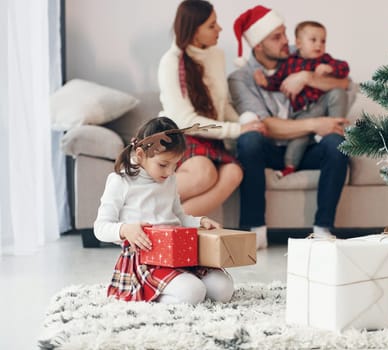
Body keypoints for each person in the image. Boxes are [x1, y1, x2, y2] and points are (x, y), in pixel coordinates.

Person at [228, 5, 352, 249]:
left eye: (285, 33)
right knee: (249, 139)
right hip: (269, 149)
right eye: (277, 37)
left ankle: (323, 228)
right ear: (258, 45)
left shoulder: (299, 55)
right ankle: (255, 229)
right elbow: (266, 126)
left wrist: (307, 77)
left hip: (305, 147)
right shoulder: (241, 78)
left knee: (337, 144)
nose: (286, 41)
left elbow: (345, 83)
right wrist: (317, 123)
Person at [94, 117, 234, 304]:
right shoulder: (121, 180)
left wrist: (199, 222)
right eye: (163, 164)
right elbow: (100, 227)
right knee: (194, 292)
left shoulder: (169, 179)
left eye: (175, 164)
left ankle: (175, 290)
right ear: (141, 154)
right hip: (146, 260)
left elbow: (178, 217)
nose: (169, 172)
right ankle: (149, 295)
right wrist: (125, 229)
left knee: (223, 289)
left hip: (179, 253)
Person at [157, 0, 266, 217]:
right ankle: (139, 204)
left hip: (211, 136)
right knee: (203, 173)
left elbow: (222, 104)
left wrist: (245, 124)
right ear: (194, 32)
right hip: (181, 135)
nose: (219, 29)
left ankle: (166, 225)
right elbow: (185, 121)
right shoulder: (171, 63)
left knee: (234, 173)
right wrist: (236, 130)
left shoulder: (216, 56)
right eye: (211, 25)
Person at [253, 20, 350, 177]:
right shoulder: (289, 63)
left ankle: (336, 128)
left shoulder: (325, 59)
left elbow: (344, 68)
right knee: (299, 137)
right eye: (313, 40)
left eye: (323, 41)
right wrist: (265, 83)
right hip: (303, 112)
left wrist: (330, 68)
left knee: (338, 93)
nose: (319, 45)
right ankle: (290, 166)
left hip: (321, 105)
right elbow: (277, 81)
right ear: (298, 43)